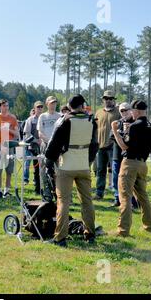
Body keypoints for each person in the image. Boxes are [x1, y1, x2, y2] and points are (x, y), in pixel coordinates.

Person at [45, 94, 99, 247]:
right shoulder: (91, 121)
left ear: (69, 107)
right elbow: (95, 145)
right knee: (87, 201)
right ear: (83, 105)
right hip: (83, 166)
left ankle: (60, 238)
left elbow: (52, 147)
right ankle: (90, 234)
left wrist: (49, 164)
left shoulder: (64, 121)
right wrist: (88, 161)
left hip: (66, 166)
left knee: (63, 202)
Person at [112, 100, 151, 237]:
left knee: (125, 196)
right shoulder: (149, 125)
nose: (130, 113)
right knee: (143, 196)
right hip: (142, 164)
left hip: (130, 163)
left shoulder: (134, 126)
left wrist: (115, 131)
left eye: (132, 110)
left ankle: (123, 230)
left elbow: (124, 146)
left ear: (136, 111)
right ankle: (149, 226)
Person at [94, 91, 120, 200]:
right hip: (100, 146)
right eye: (106, 98)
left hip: (113, 146)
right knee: (100, 171)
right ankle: (99, 193)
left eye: (110, 98)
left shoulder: (118, 112)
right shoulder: (98, 112)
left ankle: (117, 196)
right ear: (103, 100)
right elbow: (94, 128)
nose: (108, 100)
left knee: (115, 172)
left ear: (113, 99)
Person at [110, 103, 134, 207]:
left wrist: (129, 131)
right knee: (116, 178)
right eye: (121, 111)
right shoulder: (117, 123)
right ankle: (117, 198)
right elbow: (111, 136)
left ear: (131, 110)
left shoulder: (135, 123)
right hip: (117, 155)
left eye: (126, 110)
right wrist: (120, 133)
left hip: (130, 156)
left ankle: (132, 200)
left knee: (130, 179)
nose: (124, 112)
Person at [0, 99, 19, 198]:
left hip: (9, 146)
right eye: (4, 106)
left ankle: (7, 190)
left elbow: (17, 134)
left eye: (7, 105)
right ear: (0, 107)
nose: (6, 107)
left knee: (9, 170)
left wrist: (8, 129)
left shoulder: (12, 118)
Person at [23, 101, 43, 194]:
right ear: (34, 109)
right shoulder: (30, 120)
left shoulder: (45, 118)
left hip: (45, 146)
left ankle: (46, 188)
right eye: (38, 107)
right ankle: (38, 189)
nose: (40, 108)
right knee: (37, 168)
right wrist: (36, 140)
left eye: (41, 107)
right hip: (34, 147)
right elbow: (27, 134)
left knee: (46, 168)